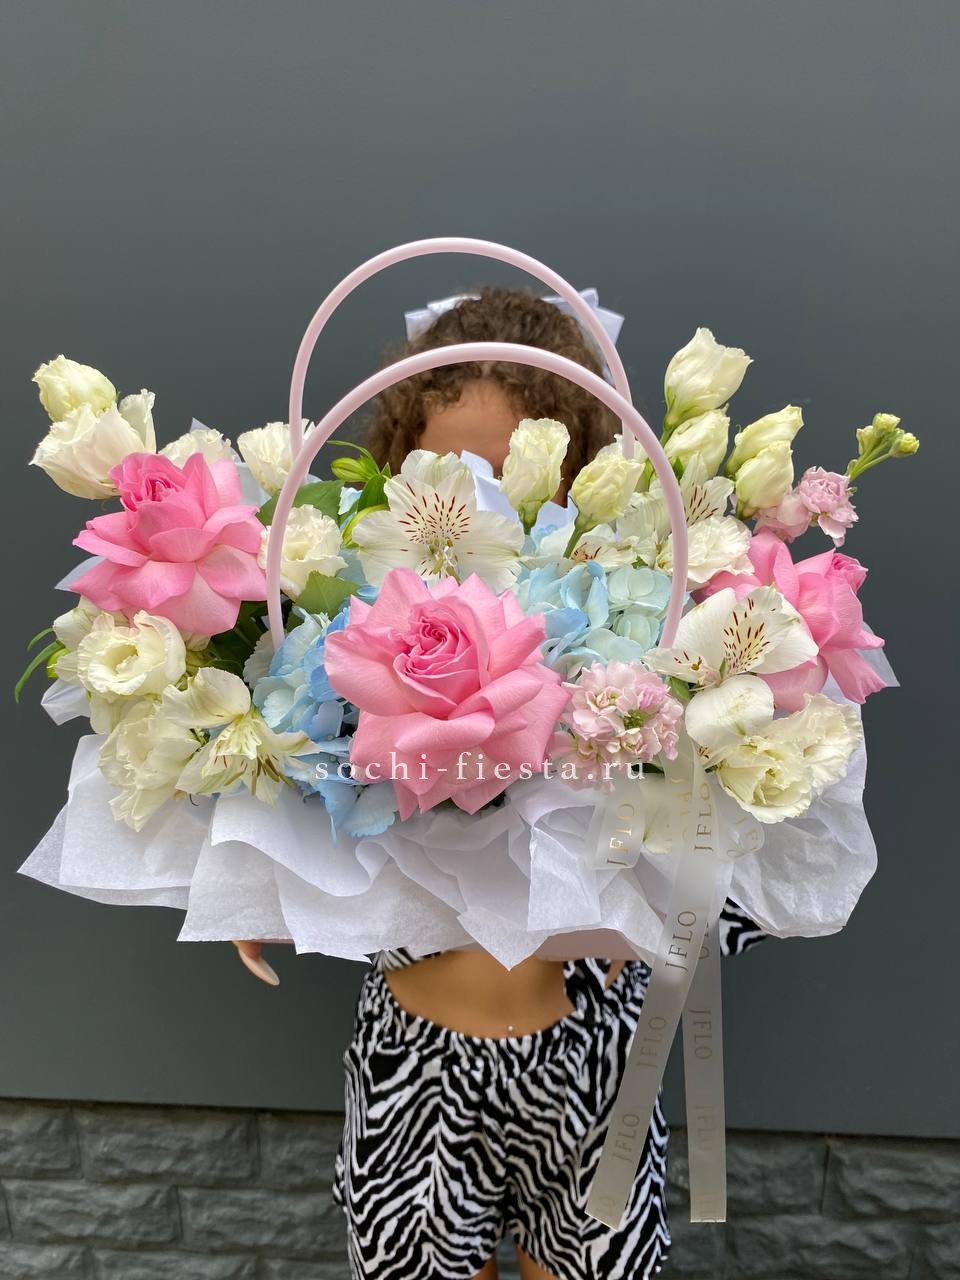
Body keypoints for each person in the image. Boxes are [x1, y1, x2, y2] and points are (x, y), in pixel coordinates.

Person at [234, 288, 766, 1280]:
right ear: (401, 470)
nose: (486, 505)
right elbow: (297, 757)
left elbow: (703, 813)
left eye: (518, 475)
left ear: (585, 473)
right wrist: (255, 871)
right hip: (415, 1050)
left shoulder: (632, 621)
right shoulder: (354, 625)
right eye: (454, 474)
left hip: (594, 1045)